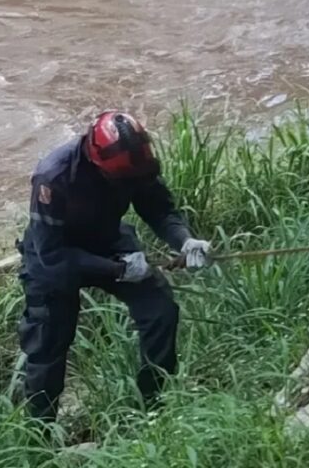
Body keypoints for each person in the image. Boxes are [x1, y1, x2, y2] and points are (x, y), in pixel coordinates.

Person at [16, 110, 212, 423]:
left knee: (160, 311)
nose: (130, 185)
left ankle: (152, 408)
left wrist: (185, 241)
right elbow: (51, 253)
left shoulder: (135, 164)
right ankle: (40, 433)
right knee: (48, 343)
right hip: (54, 257)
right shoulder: (53, 177)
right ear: (97, 163)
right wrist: (117, 270)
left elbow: (160, 210)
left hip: (108, 240)